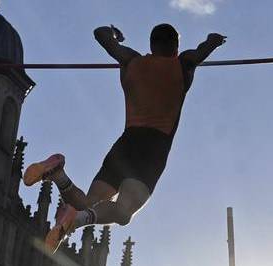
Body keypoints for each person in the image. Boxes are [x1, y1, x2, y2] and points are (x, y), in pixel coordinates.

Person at [23, 23, 227, 252]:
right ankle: (74, 219)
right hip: (154, 148)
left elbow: (99, 33)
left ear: (151, 45)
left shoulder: (131, 61)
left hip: (126, 143)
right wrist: (215, 39)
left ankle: (58, 175)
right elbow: (203, 49)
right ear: (176, 48)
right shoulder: (183, 65)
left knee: (87, 204)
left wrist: (116, 39)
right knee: (122, 213)